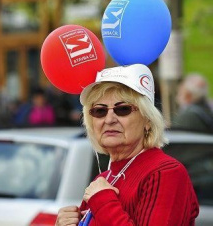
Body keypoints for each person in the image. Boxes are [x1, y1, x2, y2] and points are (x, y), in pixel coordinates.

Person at [56, 64, 199, 226]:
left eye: (123, 109)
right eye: (100, 111)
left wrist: (103, 201)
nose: (109, 120)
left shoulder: (165, 172)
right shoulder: (103, 179)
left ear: (147, 120)